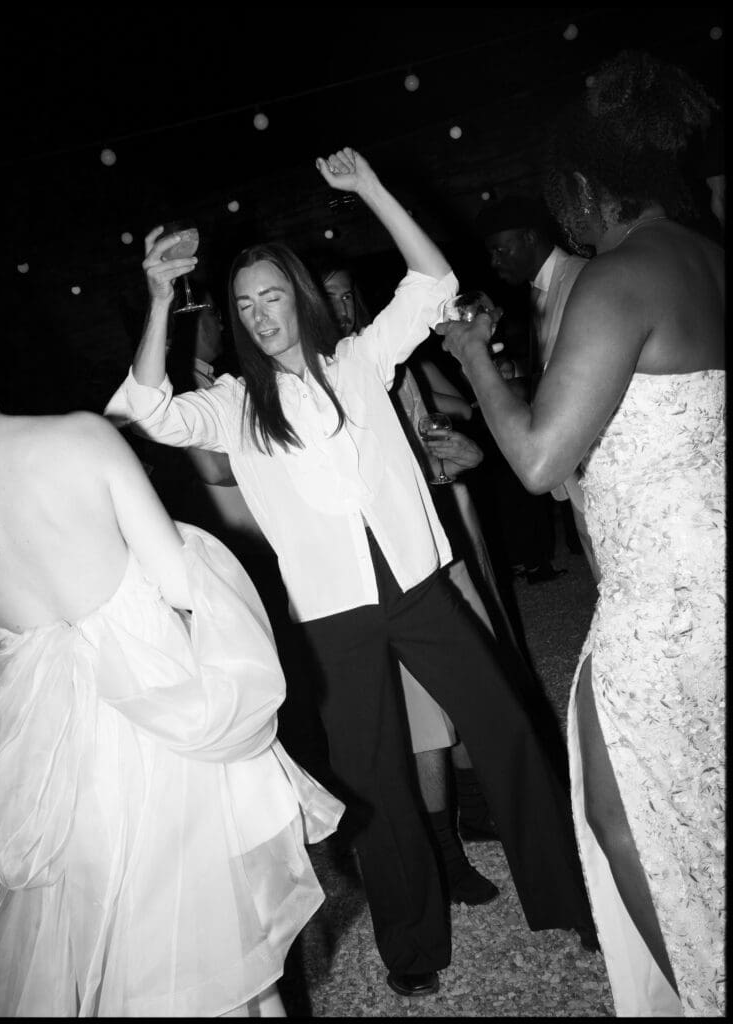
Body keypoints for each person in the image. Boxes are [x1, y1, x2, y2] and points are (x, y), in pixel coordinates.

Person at [106, 146, 596, 999]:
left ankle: (568, 899)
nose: (260, 316)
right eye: (244, 305)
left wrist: (370, 187)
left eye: (271, 297)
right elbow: (143, 412)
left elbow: (433, 281)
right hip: (331, 616)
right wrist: (156, 299)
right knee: (376, 780)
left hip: (417, 586)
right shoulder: (234, 403)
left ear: (297, 298)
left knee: (507, 730)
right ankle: (412, 946)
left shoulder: (361, 362)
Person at [440, 51, 725, 1017]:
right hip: (709, 572)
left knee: (621, 815)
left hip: (665, 601)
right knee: (703, 806)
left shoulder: (619, 276)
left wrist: (475, 358)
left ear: (586, 184)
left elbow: (536, 459)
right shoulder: (710, 261)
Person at [0, 330, 343, 1017]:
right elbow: (183, 584)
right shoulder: (79, 438)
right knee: (219, 953)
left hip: (55, 755)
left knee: (114, 953)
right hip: (158, 727)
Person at [322, 263, 502, 891]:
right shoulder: (325, 380)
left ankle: (477, 810)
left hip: (435, 535)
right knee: (422, 711)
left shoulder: (392, 361)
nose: (342, 308)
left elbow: (426, 447)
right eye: (328, 298)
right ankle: (444, 853)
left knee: (476, 670)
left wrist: (452, 458)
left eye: (347, 295)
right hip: (385, 566)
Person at [476, 195, 598, 581]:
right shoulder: (539, 290)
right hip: (573, 452)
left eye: (500, 250)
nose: (494, 262)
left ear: (529, 237)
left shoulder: (581, 277)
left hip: (597, 448)